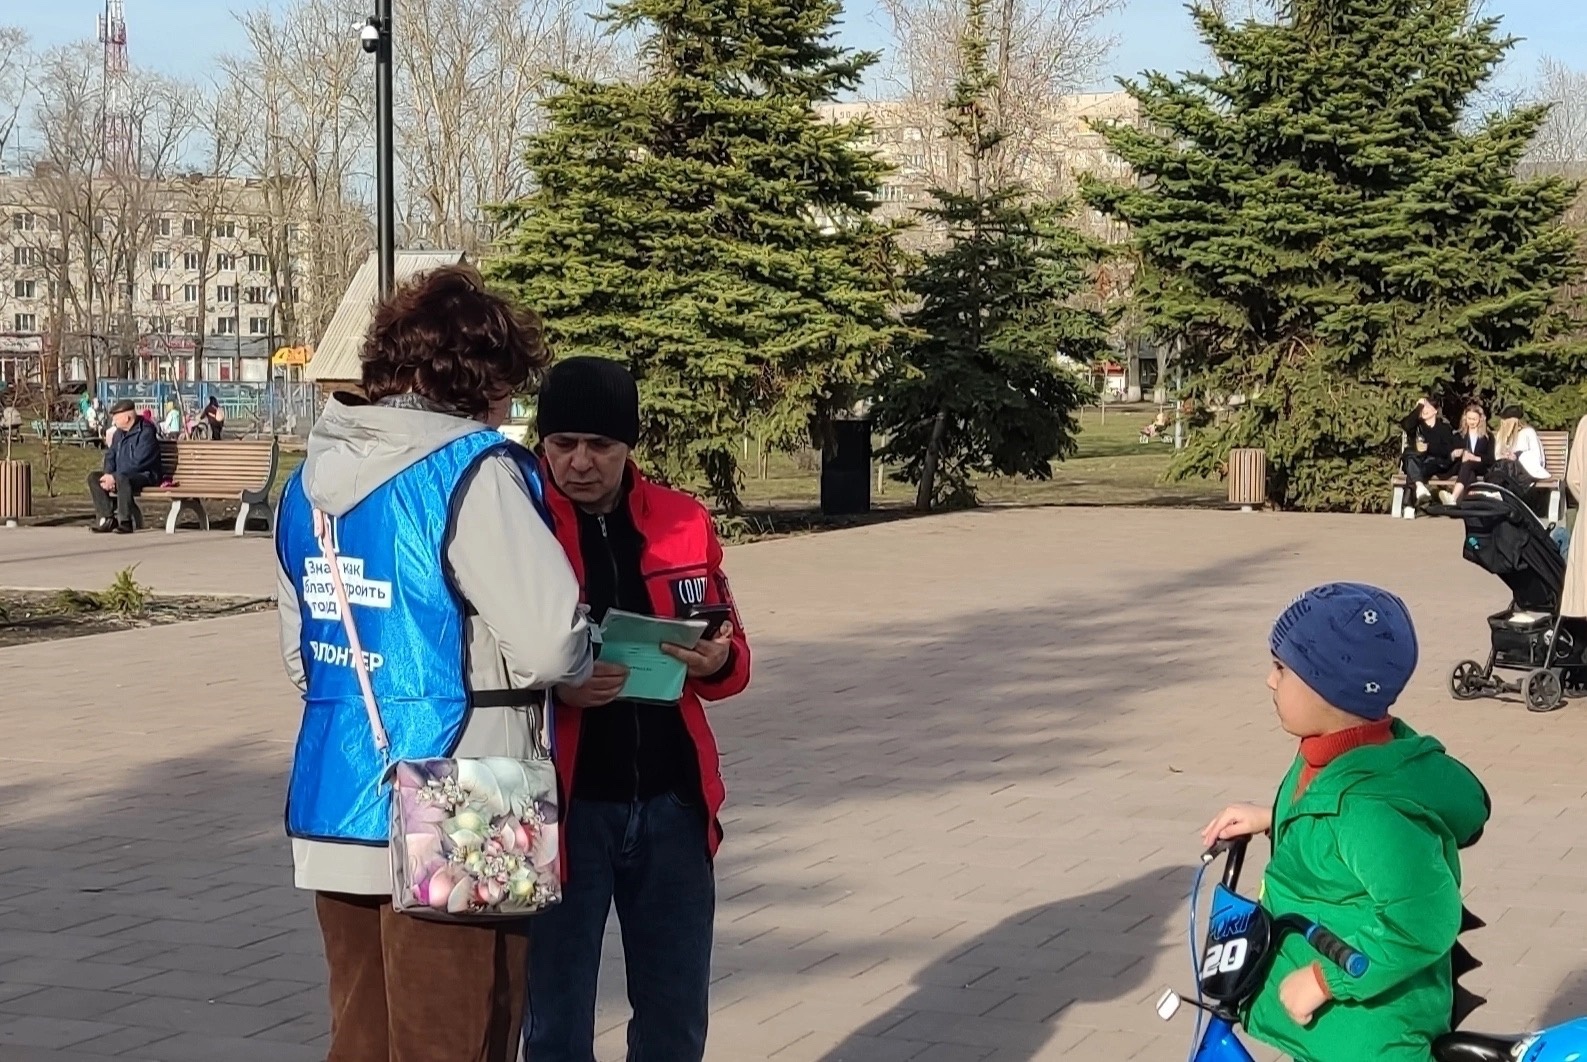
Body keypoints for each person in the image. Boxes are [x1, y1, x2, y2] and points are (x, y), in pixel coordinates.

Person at [273, 265, 595, 1062]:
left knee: (362, 1034)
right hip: (473, 790)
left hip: (338, 783)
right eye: (505, 386)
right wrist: (585, 653)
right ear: (474, 376)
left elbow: (300, 654)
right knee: (466, 1032)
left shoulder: (307, 481)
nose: (508, 406)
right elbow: (552, 640)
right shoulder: (474, 470)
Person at [525, 356, 752, 1062]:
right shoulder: (520, 520)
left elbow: (729, 644)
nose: (581, 464)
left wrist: (718, 661)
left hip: (671, 805)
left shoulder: (682, 520)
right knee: (556, 1023)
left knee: (674, 1019)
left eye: (601, 447)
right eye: (563, 445)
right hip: (562, 808)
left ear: (631, 447)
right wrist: (558, 683)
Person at [1202, 583, 1490, 1062]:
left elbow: (1422, 919)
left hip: (1367, 1034)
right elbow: (1331, 831)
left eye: (1280, 668)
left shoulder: (1370, 808)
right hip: (1332, 1030)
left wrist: (1324, 980)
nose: (1269, 681)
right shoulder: (1335, 754)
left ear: (1328, 688)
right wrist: (1273, 818)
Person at [88, 400, 162, 534]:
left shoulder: (146, 432)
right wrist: (108, 475)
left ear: (127, 418)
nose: (113, 422)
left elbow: (139, 462)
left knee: (123, 479)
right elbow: (110, 455)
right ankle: (108, 518)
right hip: (121, 475)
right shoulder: (119, 434)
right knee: (94, 478)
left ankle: (125, 522)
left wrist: (115, 477)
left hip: (145, 475)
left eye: (116, 418)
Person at [1398, 399, 1457, 517]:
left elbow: (1447, 451)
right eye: (1422, 408)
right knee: (1411, 457)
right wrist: (1419, 405)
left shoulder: (1444, 428)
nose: (1424, 410)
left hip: (1435, 462)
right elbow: (1406, 425)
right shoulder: (1417, 426)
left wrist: (1428, 448)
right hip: (1418, 460)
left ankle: (1409, 505)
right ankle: (1419, 487)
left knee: (1410, 459)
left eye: (1427, 407)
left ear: (1435, 410)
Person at [1490, 405, 1548, 498]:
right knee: (1503, 465)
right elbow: (1497, 456)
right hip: (1506, 468)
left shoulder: (1528, 432)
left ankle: (1500, 495)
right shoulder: (1502, 435)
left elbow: (1538, 457)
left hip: (1524, 470)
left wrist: (1518, 456)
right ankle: (1498, 494)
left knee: (1508, 466)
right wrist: (1504, 455)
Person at [1443, 402, 1493, 505]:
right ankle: (1470, 503)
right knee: (1468, 470)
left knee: (1469, 464)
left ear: (1480, 419)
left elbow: (1491, 459)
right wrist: (1454, 454)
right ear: (1465, 418)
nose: (1471, 422)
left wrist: (1475, 458)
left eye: (1474, 419)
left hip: (1481, 467)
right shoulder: (1459, 435)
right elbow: (1449, 455)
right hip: (1462, 468)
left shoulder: (1488, 437)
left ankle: (1453, 497)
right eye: (1469, 419)